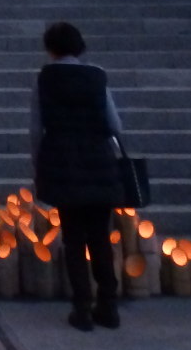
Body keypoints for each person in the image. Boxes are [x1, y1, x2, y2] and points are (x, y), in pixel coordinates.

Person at [31, 21, 124, 331]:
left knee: (73, 238)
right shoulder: (97, 76)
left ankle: (81, 308)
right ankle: (108, 306)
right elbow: (115, 124)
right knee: (100, 236)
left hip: (64, 162)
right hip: (99, 161)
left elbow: (36, 128)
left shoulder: (45, 79)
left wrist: (38, 164)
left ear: (50, 48)